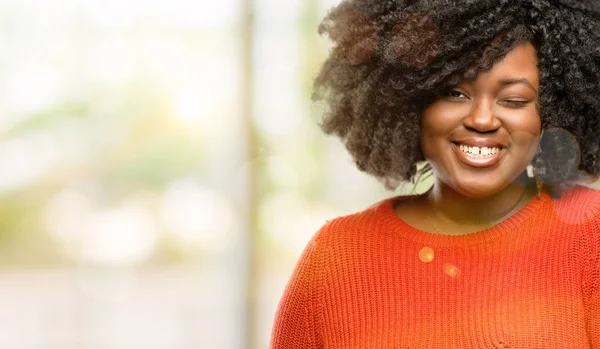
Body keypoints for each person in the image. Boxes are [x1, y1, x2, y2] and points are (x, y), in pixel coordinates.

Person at [270, 0, 600, 348]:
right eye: (454, 93)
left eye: (514, 100)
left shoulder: (591, 236)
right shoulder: (336, 256)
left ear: (552, 112)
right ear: (412, 100)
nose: (482, 120)